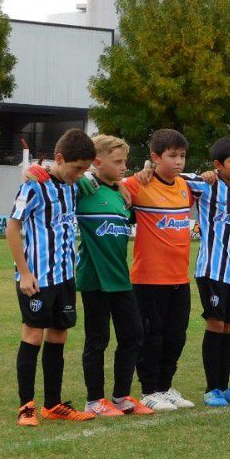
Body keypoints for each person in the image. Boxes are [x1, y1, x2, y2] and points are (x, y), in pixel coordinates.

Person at [8, 128, 97, 426]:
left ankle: (53, 403)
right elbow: (12, 228)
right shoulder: (34, 185)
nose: (80, 174)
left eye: (85, 169)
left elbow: (110, 179)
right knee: (33, 336)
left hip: (64, 277)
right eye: (77, 168)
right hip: (37, 278)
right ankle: (26, 406)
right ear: (59, 158)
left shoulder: (74, 185)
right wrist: (24, 273)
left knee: (59, 335)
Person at [75, 136, 153, 416]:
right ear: (97, 162)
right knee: (97, 340)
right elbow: (58, 176)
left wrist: (126, 181)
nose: (124, 167)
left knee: (133, 335)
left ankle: (121, 397)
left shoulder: (121, 195)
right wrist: (36, 170)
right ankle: (94, 400)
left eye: (125, 162)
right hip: (95, 279)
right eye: (117, 162)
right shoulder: (84, 186)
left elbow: (143, 176)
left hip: (121, 278)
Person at [123, 129, 197, 412]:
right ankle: (149, 390)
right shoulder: (138, 184)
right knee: (151, 337)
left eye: (182, 156)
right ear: (155, 157)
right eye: (172, 156)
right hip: (148, 279)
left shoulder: (185, 186)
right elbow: (110, 183)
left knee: (176, 336)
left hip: (180, 277)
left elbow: (211, 180)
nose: (179, 161)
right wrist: (141, 172)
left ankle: (166, 386)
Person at [186, 137, 230, 406]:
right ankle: (211, 389)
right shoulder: (207, 185)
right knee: (216, 324)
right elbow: (171, 175)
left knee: (228, 327)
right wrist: (205, 174)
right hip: (213, 271)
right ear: (218, 165)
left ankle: (224, 387)